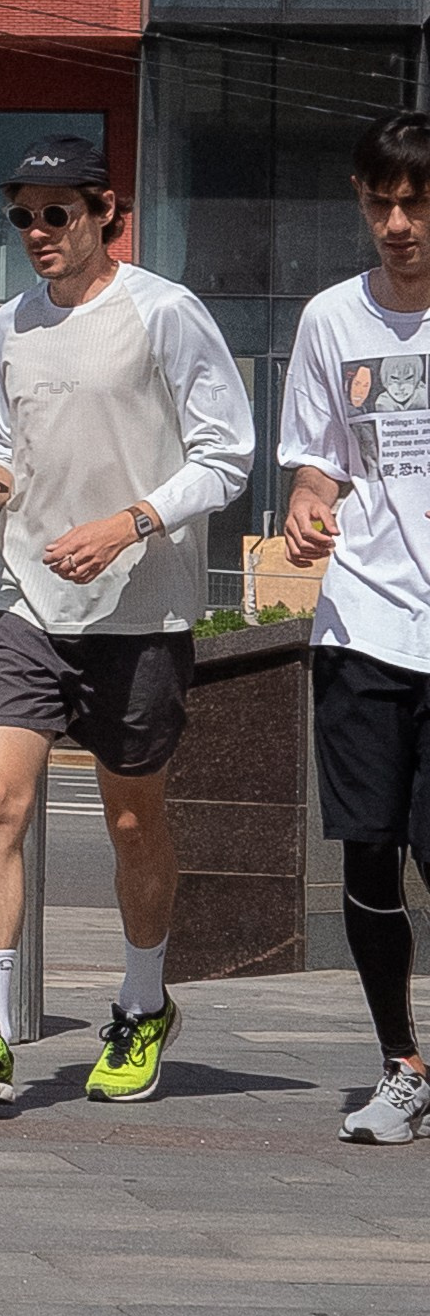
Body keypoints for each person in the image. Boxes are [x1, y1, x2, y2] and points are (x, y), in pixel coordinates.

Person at [0, 133, 253, 1114]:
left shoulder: (165, 313)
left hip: (139, 607)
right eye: (21, 213)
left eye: (56, 212)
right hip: (26, 598)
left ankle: (143, 1003)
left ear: (107, 211)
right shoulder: (10, 321)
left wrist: (129, 521)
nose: (36, 231)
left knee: (130, 815)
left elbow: (228, 455)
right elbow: (4, 439)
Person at [277, 112, 430, 1145]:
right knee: (369, 856)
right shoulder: (334, 318)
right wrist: (302, 500)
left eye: (416, 201)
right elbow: (317, 456)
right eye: (380, 201)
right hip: (365, 622)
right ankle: (401, 1065)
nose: (398, 222)